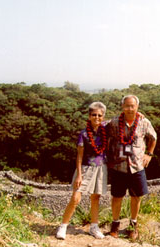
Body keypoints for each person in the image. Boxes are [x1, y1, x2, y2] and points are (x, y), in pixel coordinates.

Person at [107, 95, 157, 240]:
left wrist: (149, 154)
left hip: (137, 166)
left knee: (136, 197)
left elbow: (153, 137)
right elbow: (101, 129)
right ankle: (115, 224)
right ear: (122, 107)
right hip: (118, 166)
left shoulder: (143, 122)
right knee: (117, 196)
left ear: (137, 107)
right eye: (127, 106)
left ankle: (133, 224)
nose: (130, 109)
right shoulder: (114, 122)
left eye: (132, 106)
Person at [56, 102, 108, 240]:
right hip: (85, 168)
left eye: (99, 115)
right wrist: (79, 175)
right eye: (94, 115)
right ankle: (63, 226)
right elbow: (79, 156)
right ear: (89, 116)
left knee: (96, 197)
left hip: (101, 167)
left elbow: (119, 119)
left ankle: (94, 226)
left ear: (103, 116)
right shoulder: (84, 134)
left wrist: (139, 114)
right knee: (75, 198)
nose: (97, 117)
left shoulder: (105, 130)